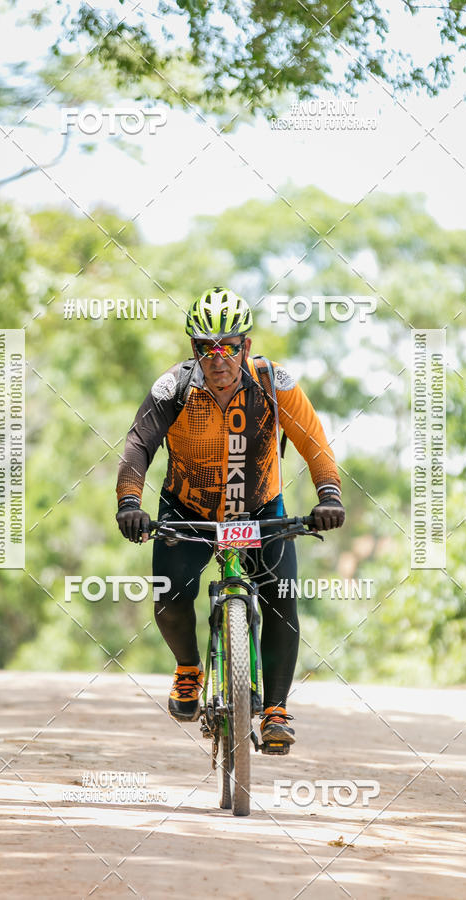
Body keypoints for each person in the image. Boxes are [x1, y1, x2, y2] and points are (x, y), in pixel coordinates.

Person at [116, 287, 344, 745]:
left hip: (260, 509)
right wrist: (129, 504)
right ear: (194, 349)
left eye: (229, 347)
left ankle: (276, 710)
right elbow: (138, 445)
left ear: (246, 345)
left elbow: (313, 442)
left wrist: (329, 496)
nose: (218, 359)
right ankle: (188, 669)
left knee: (281, 598)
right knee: (169, 598)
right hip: (189, 509)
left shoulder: (274, 383)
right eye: (206, 348)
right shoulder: (174, 387)